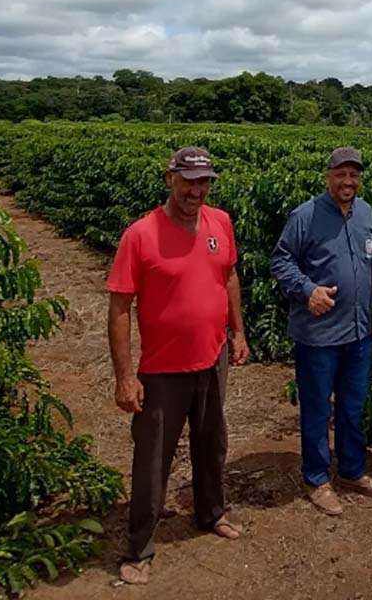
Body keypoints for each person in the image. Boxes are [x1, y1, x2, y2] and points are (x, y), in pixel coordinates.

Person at [106, 146, 250, 585]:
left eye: (204, 181)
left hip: (212, 357)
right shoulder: (141, 234)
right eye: (188, 180)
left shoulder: (220, 222)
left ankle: (210, 512)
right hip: (163, 369)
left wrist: (238, 332)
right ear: (170, 178)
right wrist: (125, 376)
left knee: (212, 443)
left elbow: (227, 276)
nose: (196, 189)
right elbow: (119, 307)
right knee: (153, 458)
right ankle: (139, 546)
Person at [270, 146, 372, 516]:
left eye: (354, 175)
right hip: (318, 336)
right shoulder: (305, 216)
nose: (347, 182)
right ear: (328, 176)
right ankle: (316, 477)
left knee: (353, 407)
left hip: (358, 334)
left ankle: (352, 470)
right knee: (318, 408)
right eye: (341, 174)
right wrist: (308, 291)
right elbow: (280, 259)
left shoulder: (366, 213)